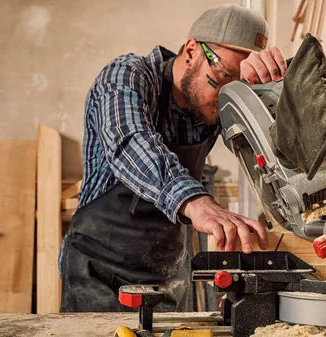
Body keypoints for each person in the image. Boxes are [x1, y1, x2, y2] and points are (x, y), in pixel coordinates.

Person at [59, 3, 287, 312]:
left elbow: (274, 149)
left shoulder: (216, 101)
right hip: (99, 271)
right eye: (221, 78)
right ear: (192, 51)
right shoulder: (127, 75)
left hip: (168, 274)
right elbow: (129, 141)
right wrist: (194, 201)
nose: (224, 97)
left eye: (237, 87)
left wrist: (272, 92)